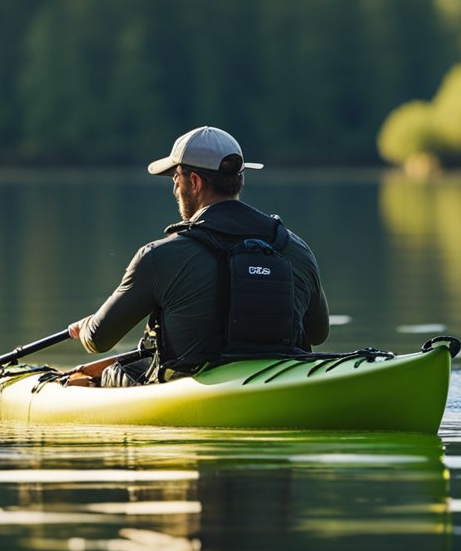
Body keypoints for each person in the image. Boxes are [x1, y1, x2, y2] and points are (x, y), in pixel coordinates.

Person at [67, 127, 330, 387]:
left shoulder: (159, 256)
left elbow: (99, 340)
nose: (175, 188)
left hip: (190, 391)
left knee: (112, 373)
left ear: (194, 182)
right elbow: (319, 333)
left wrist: (87, 325)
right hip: (284, 381)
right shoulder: (295, 248)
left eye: (175, 178)